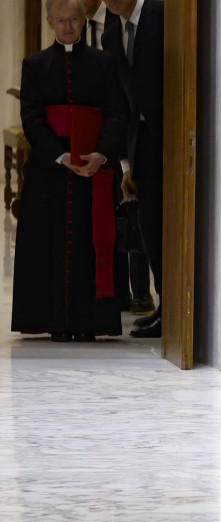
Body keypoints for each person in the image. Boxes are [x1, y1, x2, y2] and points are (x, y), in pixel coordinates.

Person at [10, 0, 128, 342]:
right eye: (60, 20)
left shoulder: (104, 63)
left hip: (94, 171)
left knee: (90, 245)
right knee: (49, 243)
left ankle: (88, 321)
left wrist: (101, 154)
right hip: (49, 171)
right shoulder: (35, 65)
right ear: (49, 21)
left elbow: (117, 114)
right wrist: (61, 156)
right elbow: (31, 118)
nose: (68, 27)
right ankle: (54, 320)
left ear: (83, 20)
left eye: (74, 20)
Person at [83, 0, 154, 316]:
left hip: (131, 128)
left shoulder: (118, 23)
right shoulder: (87, 27)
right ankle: (117, 292)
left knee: (133, 210)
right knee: (110, 213)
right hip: (99, 128)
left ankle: (141, 292)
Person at [102, 0, 163, 337]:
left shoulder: (162, 15)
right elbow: (120, 101)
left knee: (166, 224)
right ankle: (161, 304)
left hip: (171, 138)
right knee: (148, 225)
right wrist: (125, 165)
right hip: (138, 146)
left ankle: (171, 309)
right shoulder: (111, 34)